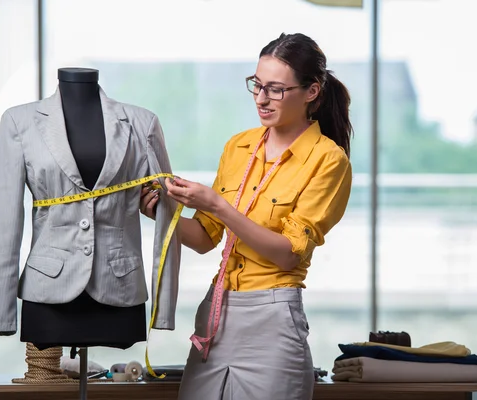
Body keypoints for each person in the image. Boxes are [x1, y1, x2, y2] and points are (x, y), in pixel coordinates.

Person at [140, 32, 353, 400]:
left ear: (312, 92)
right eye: (256, 85)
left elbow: (288, 252)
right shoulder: (238, 146)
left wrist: (218, 205)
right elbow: (207, 239)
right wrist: (164, 213)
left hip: (272, 322)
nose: (261, 98)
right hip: (216, 313)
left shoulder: (328, 160)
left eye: (275, 89)